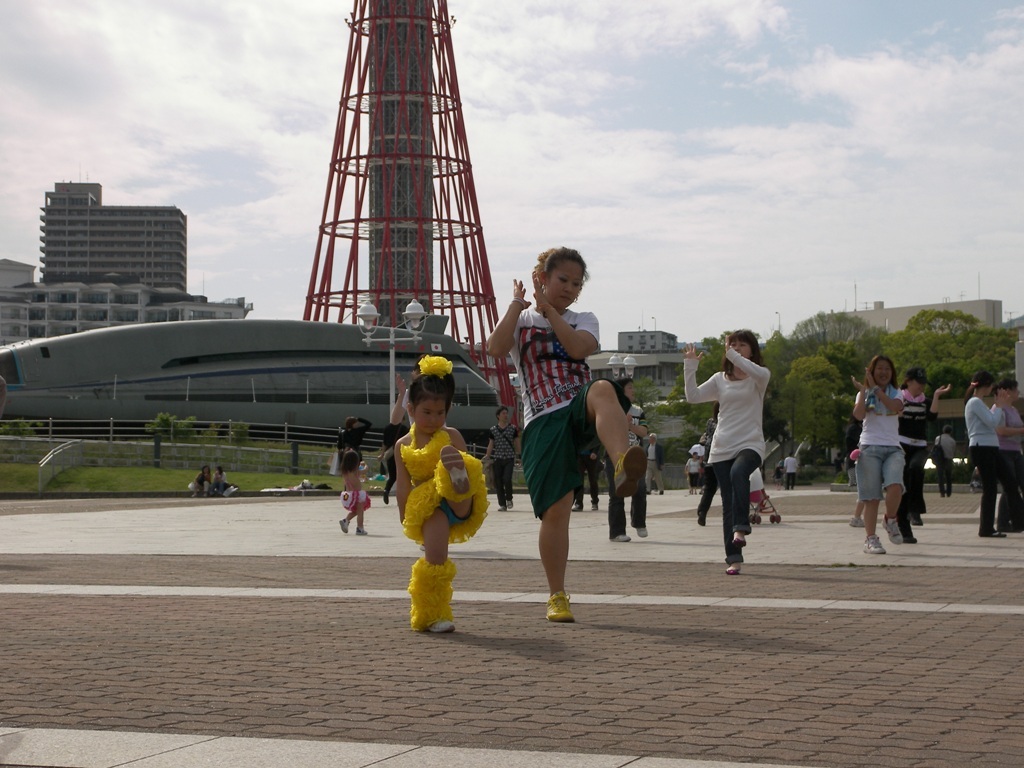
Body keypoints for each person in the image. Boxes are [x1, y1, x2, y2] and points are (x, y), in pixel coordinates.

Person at [485, 246, 646, 623]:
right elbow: (494, 348)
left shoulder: (583, 318)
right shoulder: (520, 321)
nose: (571, 289)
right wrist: (516, 304)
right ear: (542, 277)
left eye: (576, 284)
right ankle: (557, 595)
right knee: (556, 512)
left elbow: (576, 349)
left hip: (579, 407)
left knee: (605, 389)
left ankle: (623, 464)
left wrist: (552, 312)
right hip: (542, 419)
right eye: (563, 281)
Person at [395, 355, 488, 633]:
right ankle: (433, 615)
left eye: (440, 413)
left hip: (459, 500)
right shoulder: (403, 445)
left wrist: (461, 480)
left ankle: (455, 479)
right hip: (429, 509)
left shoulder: (452, 436)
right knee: (435, 558)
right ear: (411, 409)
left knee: (463, 472)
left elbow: (479, 476)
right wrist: (405, 517)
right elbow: (402, 485)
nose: (434, 420)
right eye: (427, 413)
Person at [683, 330, 771, 575]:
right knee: (728, 504)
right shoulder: (720, 379)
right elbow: (693, 397)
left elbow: (749, 366)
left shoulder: (759, 377)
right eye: (734, 345)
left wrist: (731, 352)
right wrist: (689, 366)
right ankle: (734, 558)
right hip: (722, 446)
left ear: (752, 350)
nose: (738, 349)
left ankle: (742, 527)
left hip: (751, 443)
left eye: (743, 345)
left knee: (739, 471)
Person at [851, 355, 905, 554]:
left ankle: (890, 519)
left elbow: (894, 407)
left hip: (893, 448)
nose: (884, 372)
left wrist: (876, 390)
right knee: (871, 497)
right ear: (871, 372)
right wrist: (865, 391)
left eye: (887, 369)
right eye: (879, 369)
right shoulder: (863, 394)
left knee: (895, 486)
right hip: (869, 448)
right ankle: (871, 539)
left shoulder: (897, 392)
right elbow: (858, 415)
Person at [894, 367, 951, 539]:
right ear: (908, 381)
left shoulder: (924, 401)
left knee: (916, 468)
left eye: (923, 384)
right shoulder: (899, 398)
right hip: (901, 445)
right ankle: (904, 524)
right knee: (903, 484)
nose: (921, 387)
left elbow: (932, 417)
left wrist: (936, 396)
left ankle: (915, 509)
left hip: (919, 446)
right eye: (919, 383)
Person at [964, 370, 1014, 538]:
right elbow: (992, 422)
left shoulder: (980, 403)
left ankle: (1012, 521)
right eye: (991, 385)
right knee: (990, 488)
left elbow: (995, 421)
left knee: (1007, 482)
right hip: (981, 447)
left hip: (990, 447)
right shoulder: (974, 402)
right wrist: (999, 406)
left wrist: (1000, 406)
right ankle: (986, 528)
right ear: (986, 385)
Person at [603, 377, 648, 542]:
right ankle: (617, 532)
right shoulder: (610, 409)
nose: (633, 391)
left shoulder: (638, 410)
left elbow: (644, 432)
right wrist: (622, 421)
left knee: (640, 489)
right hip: (614, 456)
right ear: (621, 391)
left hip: (635, 457)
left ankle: (639, 522)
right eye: (629, 388)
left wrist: (630, 426)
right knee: (616, 493)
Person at [992, 378, 1024, 532]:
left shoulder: (1014, 410)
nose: (1018, 392)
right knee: (1009, 486)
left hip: (1016, 451)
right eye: (1016, 389)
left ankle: (1018, 520)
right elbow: (1000, 430)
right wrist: (1021, 431)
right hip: (1003, 450)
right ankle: (1003, 523)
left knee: (1019, 484)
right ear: (1008, 391)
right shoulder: (998, 408)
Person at [379, 375, 409, 505]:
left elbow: (385, 443)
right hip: (402, 454)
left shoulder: (387, 428)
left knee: (393, 476)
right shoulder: (404, 428)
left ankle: (386, 491)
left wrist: (382, 454)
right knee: (404, 476)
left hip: (391, 454)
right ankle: (403, 499)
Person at [483, 405, 520, 512]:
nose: (506, 415)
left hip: (509, 458)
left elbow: (517, 442)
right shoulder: (493, 430)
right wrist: (487, 456)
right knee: (498, 481)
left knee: (507, 479)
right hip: (498, 458)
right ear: (498, 416)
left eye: (506, 413)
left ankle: (509, 498)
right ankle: (502, 504)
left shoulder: (512, 429)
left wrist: (519, 456)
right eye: (503, 413)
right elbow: (491, 444)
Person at [695, 406, 719, 526]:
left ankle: (702, 512)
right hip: (721, 458)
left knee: (709, 488)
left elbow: (706, 437)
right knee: (727, 488)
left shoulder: (710, 422)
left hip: (708, 459)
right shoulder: (726, 421)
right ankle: (732, 514)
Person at [338, 448, 371, 535]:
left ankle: (346, 521)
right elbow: (366, 470)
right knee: (360, 512)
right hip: (357, 494)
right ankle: (360, 528)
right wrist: (364, 464)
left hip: (348, 494)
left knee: (356, 511)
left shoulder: (345, 472)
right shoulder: (355, 472)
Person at [933, 425, 956, 497]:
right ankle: (949, 492)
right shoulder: (952, 441)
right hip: (948, 459)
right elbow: (953, 451)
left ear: (943, 431)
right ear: (951, 432)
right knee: (948, 476)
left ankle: (942, 492)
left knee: (940, 476)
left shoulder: (938, 438)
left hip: (939, 459)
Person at [844, 416, 862, 488]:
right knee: (852, 464)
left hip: (854, 448)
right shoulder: (854, 428)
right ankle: (853, 481)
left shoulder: (853, 427)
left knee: (852, 464)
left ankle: (853, 481)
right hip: (854, 448)